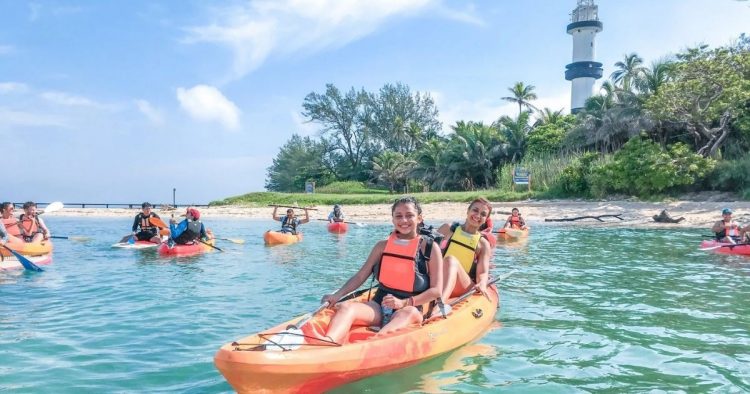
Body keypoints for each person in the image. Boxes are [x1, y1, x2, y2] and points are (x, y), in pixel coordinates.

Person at [315, 197, 443, 343]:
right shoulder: (382, 246)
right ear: (393, 219)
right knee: (346, 308)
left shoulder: (430, 249)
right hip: (379, 305)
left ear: (419, 218)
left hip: (411, 308)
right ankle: (328, 342)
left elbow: (436, 291)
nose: (404, 220)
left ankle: (371, 345)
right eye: (398, 216)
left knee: (408, 313)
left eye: (409, 215)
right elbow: (361, 276)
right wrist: (337, 295)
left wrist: (404, 303)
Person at [436, 198, 493, 307]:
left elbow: (482, 272)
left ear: (486, 220)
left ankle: (440, 305)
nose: (478, 215)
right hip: (441, 278)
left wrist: (482, 283)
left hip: (462, 285)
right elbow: (428, 253)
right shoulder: (448, 229)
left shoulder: (483, 244)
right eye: (475, 210)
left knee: (451, 260)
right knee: (447, 261)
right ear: (468, 211)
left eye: (483, 214)